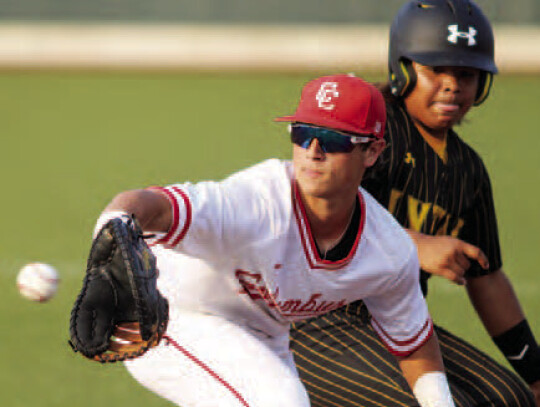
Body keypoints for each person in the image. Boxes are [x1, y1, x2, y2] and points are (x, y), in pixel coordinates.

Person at [90, 74, 458, 407]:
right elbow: (147, 204)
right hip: (170, 315)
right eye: (302, 133)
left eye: (332, 138)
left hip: (261, 337)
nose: (314, 149)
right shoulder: (255, 201)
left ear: (372, 152)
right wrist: (110, 234)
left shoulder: (388, 250)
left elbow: (413, 343)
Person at [290, 1, 540, 407]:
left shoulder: (467, 170)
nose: (452, 85)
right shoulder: (366, 124)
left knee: (509, 398)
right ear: (402, 69)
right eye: (435, 70)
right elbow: (309, 206)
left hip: (395, 322)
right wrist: (412, 243)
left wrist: (535, 373)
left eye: (466, 74)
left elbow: (486, 276)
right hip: (312, 317)